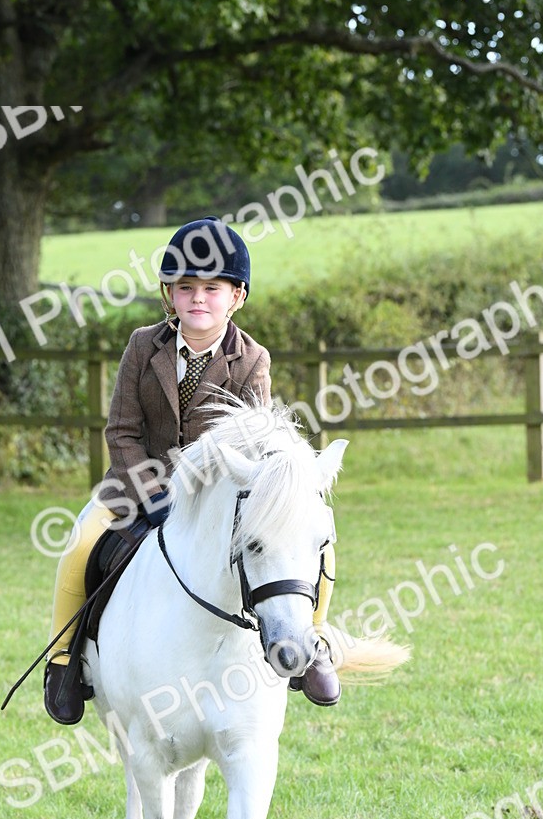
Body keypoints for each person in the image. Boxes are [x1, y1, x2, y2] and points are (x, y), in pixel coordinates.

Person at [43, 216, 341, 721]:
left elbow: (255, 441)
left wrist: (195, 497)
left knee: (320, 539)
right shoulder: (142, 346)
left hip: (215, 496)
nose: (197, 298)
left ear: (236, 297)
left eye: (211, 288)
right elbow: (122, 431)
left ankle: (311, 645)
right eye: (185, 288)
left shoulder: (252, 360)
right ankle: (64, 659)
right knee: (79, 544)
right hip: (135, 485)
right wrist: (152, 492)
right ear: (170, 294)